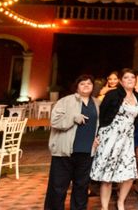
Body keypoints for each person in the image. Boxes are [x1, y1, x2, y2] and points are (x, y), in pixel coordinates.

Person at [90, 69, 138, 210]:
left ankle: (121, 202)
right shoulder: (113, 94)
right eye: (126, 77)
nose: (130, 79)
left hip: (127, 139)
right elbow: (101, 115)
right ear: (121, 81)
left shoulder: (137, 96)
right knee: (107, 175)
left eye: (133, 77)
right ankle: (104, 207)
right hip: (110, 137)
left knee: (129, 174)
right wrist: (97, 135)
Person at [44, 74, 99, 210]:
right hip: (65, 152)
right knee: (58, 188)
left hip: (87, 152)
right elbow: (54, 121)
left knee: (81, 188)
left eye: (89, 83)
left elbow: (100, 124)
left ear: (93, 86)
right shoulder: (65, 101)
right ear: (77, 86)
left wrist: (98, 137)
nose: (86, 85)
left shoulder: (97, 103)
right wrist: (73, 118)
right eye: (82, 83)